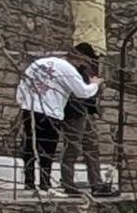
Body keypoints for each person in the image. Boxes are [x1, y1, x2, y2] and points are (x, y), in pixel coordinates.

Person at [14, 42, 89, 194]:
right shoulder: (67, 69)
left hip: (30, 109)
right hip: (51, 112)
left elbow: (21, 88)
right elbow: (82, 92)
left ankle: (29, 182)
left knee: (30, 145)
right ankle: (44, 182)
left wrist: (24, 103)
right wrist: (95, 84)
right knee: (47, 149)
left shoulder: (36, 64)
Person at [57, 43, 102, 195]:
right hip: (74, 112)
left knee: (92, 147)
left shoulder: (86, 68)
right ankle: (68, 183)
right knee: (73, 147)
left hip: (87, 111)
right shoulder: (68, 69)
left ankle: (96, 183)